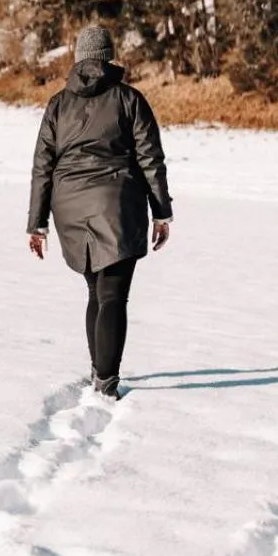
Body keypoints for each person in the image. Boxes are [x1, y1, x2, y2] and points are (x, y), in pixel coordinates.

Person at [27, 25, 173, 400]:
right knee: (113, 295)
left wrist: (37, 223)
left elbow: (43, 165)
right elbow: (150, 158)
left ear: (78, 58)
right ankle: (105, 381)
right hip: (116, 204)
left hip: (69, 206)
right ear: (108, 57)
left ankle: (99, 370)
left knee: (97, 290)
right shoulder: (129, 99)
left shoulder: (58, 104)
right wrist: (162, 212)